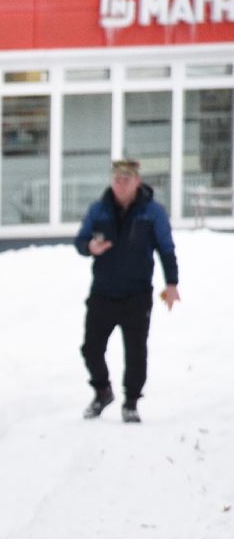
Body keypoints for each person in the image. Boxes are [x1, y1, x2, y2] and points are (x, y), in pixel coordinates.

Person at [74, 158, 179, 423]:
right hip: (103, 293)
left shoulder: (152, 212)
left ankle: (131, 401)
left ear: (137, 181)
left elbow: (166, 248)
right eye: (116, 180)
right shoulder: (99, 209)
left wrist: (172, 283)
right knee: (91, 349)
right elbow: (80, 239)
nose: (120, 185)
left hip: (137, 294)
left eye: (126, 180)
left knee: (136, 352)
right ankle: (102, 391)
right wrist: (89, 247)